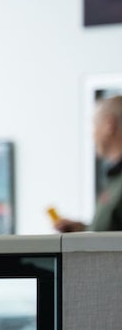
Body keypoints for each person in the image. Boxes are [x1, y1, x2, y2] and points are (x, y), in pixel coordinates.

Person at [52, 95, 122, 233]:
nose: (93, 134)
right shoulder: (114, 178)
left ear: (109, 125)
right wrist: (83, 229)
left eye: (95, 125)